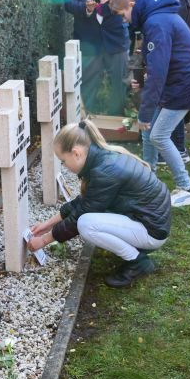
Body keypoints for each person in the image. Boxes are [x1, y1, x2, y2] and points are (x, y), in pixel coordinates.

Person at [27, 120, 170, 288]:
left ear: (76, 153)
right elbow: (85, 202)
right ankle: (137, 251)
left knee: (86, 224)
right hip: (149, 221)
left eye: (63, 161)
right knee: (86, 217)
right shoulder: (102, 160)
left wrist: (43, 241)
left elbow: (81, 214)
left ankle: (138, 262)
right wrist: (46, 225)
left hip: (152, 231)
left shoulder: (105, 171)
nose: (64, 166)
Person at [110, 0, 190, 207]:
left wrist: (145, 112)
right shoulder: (154, 17)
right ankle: (149, 182)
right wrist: (142, 79)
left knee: (158, 135)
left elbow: (158, 72)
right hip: (176, 82)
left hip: (185, 84)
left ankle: (186, 188)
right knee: (148, 132)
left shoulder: (156, 21)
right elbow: (158, 62)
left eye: (123, 14)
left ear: (132, 5)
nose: (124, 20)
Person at [63, 0, 129, 115]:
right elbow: (68, 3)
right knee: (87, 84)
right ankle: (87, 123)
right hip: (88, 41)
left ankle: (118, 124)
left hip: (115, 40)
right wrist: (85, 8)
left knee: (119, 84)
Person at [147, 0, 190, 163]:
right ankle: (178, 149)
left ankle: (176, 149)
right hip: (179, 55)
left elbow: (169, 28)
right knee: (174, 101)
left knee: (172, 102)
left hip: (175, 55)